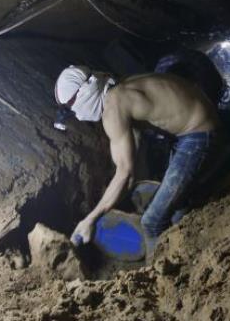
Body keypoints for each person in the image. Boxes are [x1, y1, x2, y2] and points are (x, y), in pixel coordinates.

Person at [54, 65, 221, 258]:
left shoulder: (113, 109)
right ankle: (192, 249)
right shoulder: (120, 86)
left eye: (70, 107)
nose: (74, 113)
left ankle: (158, 275)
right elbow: (133, 162)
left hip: (199, 134)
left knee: (151, 222)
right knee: (174, 208)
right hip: (197, 122)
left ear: (83, 95)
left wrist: (89, 220)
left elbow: (125, 173)